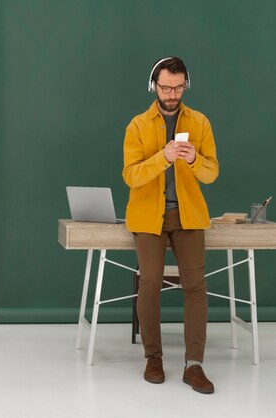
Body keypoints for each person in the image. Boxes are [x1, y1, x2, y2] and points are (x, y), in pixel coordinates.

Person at [122, 57, 219, 394]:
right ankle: (154, 358)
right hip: (148, 217)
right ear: (154, 85)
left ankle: (194, 366)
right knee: (149, 281)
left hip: (188, 216)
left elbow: (212, 172)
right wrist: (163, 157)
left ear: (185, 86)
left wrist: (194, 159)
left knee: (196, 286)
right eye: (166, 87)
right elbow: (130, 175)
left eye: (178, 87)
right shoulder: (137, 125)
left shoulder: (201, 122)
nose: (172, 93)